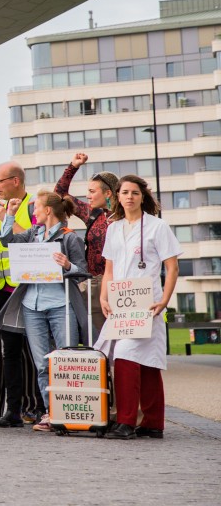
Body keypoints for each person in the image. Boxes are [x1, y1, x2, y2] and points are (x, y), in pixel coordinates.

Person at [0, 191, 88, 432]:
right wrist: (9, 215)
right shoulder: (33, 234)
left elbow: (83, 270)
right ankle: (50, 413)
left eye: (36, 207)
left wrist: (68, 266)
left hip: (60, 305)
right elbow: (6, 240)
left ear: (48, 210)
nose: (33, 211)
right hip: (32, 306)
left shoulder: (69, 238)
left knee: (67, 360)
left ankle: (71, 412)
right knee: (42, 364)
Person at [101, 175, 181, 440]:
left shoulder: (158, 227)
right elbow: (109, 269)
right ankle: (153, 422)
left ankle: (126, 422)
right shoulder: (113, 228)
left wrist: (165, 300)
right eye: (125, 192)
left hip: (148, 304)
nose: (130, 197)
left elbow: (172, 267)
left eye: (135, 193)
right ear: (118, 196)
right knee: (144, 362)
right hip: (120, 302)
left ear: (142, 197)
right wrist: (103, 297)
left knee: (127, 355)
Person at [0, 160, 39, 427]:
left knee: (36, 350)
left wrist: (7, 221)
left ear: (15, 181)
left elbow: (37, 240)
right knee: (11, 352)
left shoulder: (33, 207)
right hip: (5, 290)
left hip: (30, 289)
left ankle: (39, 406)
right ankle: (13, 411)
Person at [57, 153, 116, 343]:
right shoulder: (92, 213)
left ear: (108, 193)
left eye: (92, 191)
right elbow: (59, 196)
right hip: (93, 283)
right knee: (97, 340)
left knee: (119, 340)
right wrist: (73, 166)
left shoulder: (124, 217)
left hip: (119, 283)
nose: (87, 196)